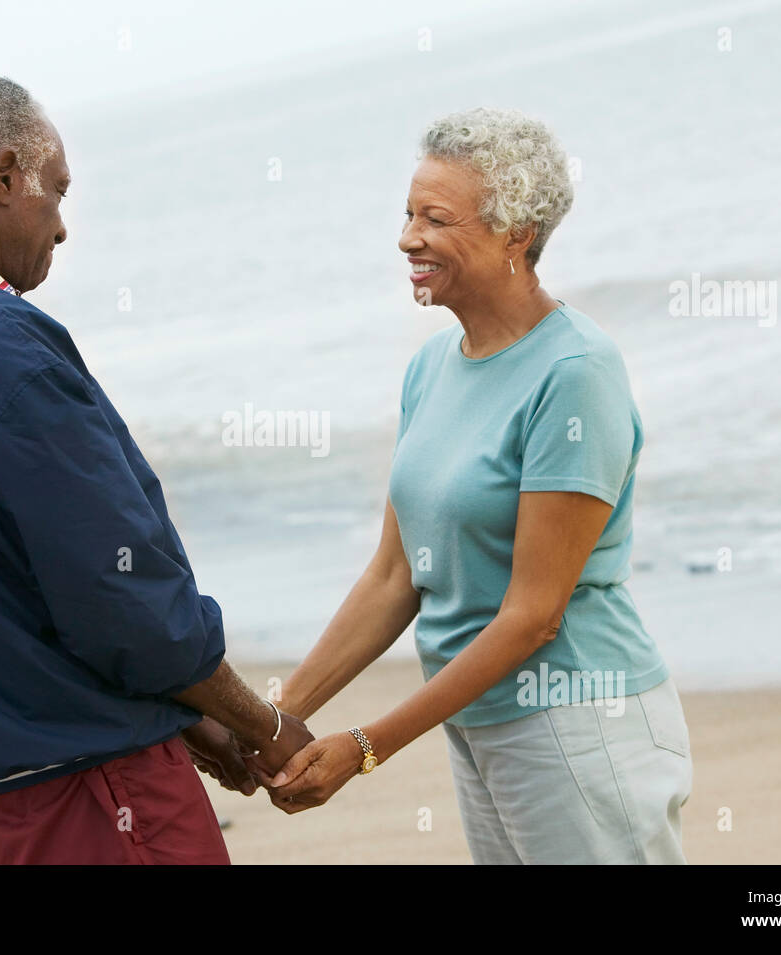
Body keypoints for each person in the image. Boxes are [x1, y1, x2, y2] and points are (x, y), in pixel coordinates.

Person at [0, 74, 309, 865]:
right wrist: (262, 723)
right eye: (56, 192)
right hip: (95, 796)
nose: (63, 227)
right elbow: (123, 593)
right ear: (5, 176)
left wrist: (183, 715)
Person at [263, 108, 693, 864]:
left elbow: (533, 615)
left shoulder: (574, 372)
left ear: (516, 234)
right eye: (406, 214)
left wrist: (365, 746)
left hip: (579, 725)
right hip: (479, 728)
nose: (406, 238)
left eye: (435, 219)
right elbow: (396, 575)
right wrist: (275, 717)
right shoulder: (431, 368)